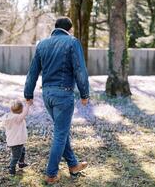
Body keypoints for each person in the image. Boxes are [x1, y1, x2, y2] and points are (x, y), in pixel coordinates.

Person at [24, 17, 90, 184]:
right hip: (63, 94)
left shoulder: (42, 44)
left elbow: (33, 71)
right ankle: (51, 174)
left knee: (62, 130)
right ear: (69, 29)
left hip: (47, 96)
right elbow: (80, 69)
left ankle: (73, 165)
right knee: (60, 134)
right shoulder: (72, 42)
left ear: (55, 28)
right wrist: (84, 93)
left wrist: (28, 93)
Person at [1, 100, 30, 176]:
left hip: (14, 140)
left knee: (22, 150)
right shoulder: (17, 118)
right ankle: (11, 168)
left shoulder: (9, 116)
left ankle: (21, 163)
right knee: (16, 156)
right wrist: (28, 105)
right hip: (16, 141)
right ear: (21, 110)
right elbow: (25, 113)